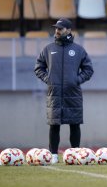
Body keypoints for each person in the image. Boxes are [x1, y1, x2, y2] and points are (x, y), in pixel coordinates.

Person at [34, 18, 94, 164]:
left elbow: (88, 69)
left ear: (68, 30)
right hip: (54, 93)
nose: (57, 30)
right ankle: (53, 155)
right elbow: (38, 67)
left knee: (75, 124)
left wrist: (76, 80)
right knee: (54, 124)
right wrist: (48, 79)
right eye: (56, 28)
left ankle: (75, 153)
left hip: (73, 93)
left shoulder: (78, 50)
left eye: (60, 28)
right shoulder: (48, 49)